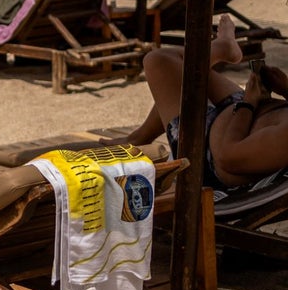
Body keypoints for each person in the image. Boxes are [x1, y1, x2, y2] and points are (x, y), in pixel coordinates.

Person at [122, 15, 288, 193]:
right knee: (183, 78)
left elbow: (227, 157)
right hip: (240, 113)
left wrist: (248, 103)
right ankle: (138, 138)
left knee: (158, 61)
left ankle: (222, 48)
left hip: (204, 151)